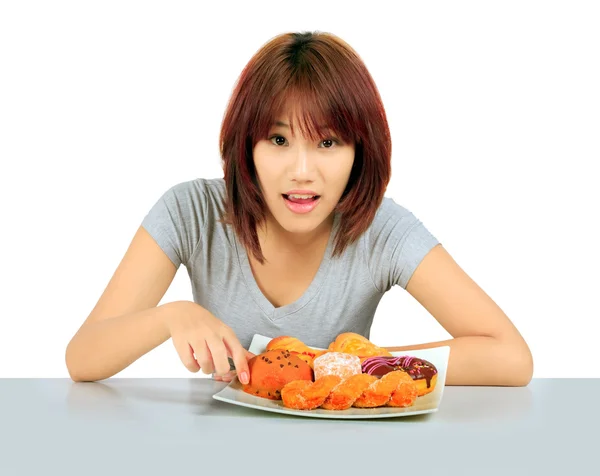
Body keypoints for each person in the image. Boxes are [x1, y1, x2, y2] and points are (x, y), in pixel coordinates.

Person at [65, 31, 533, 387]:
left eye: (327, 141)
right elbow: (82, 358)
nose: (302, 171)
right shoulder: (192, 212)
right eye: (279, 139)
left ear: (360, 151)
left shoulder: (382, 229)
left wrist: (356, 363)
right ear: (246, 145)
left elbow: (511, 357)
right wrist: (170, 316)